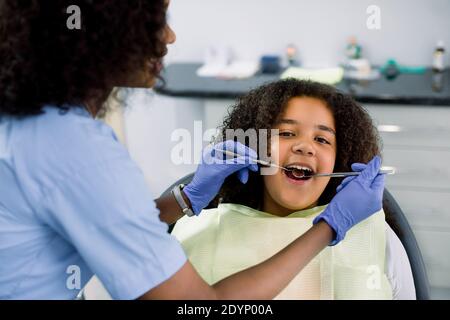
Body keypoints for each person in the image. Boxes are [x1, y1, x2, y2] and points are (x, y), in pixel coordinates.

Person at [0, 0, 384, 299]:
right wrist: (329, 228)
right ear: (103, 29)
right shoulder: (77, 152)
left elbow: (104, 219)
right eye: (157, 18)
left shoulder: (41, 126)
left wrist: (184, 198)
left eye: (322, 138)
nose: (169, 37)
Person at [172, 79, 416, 300]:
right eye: (287, 133)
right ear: (256, 147)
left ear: (339, 161)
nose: (304, 147)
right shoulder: (193, 232)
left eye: (322, 139)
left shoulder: (377, 237)